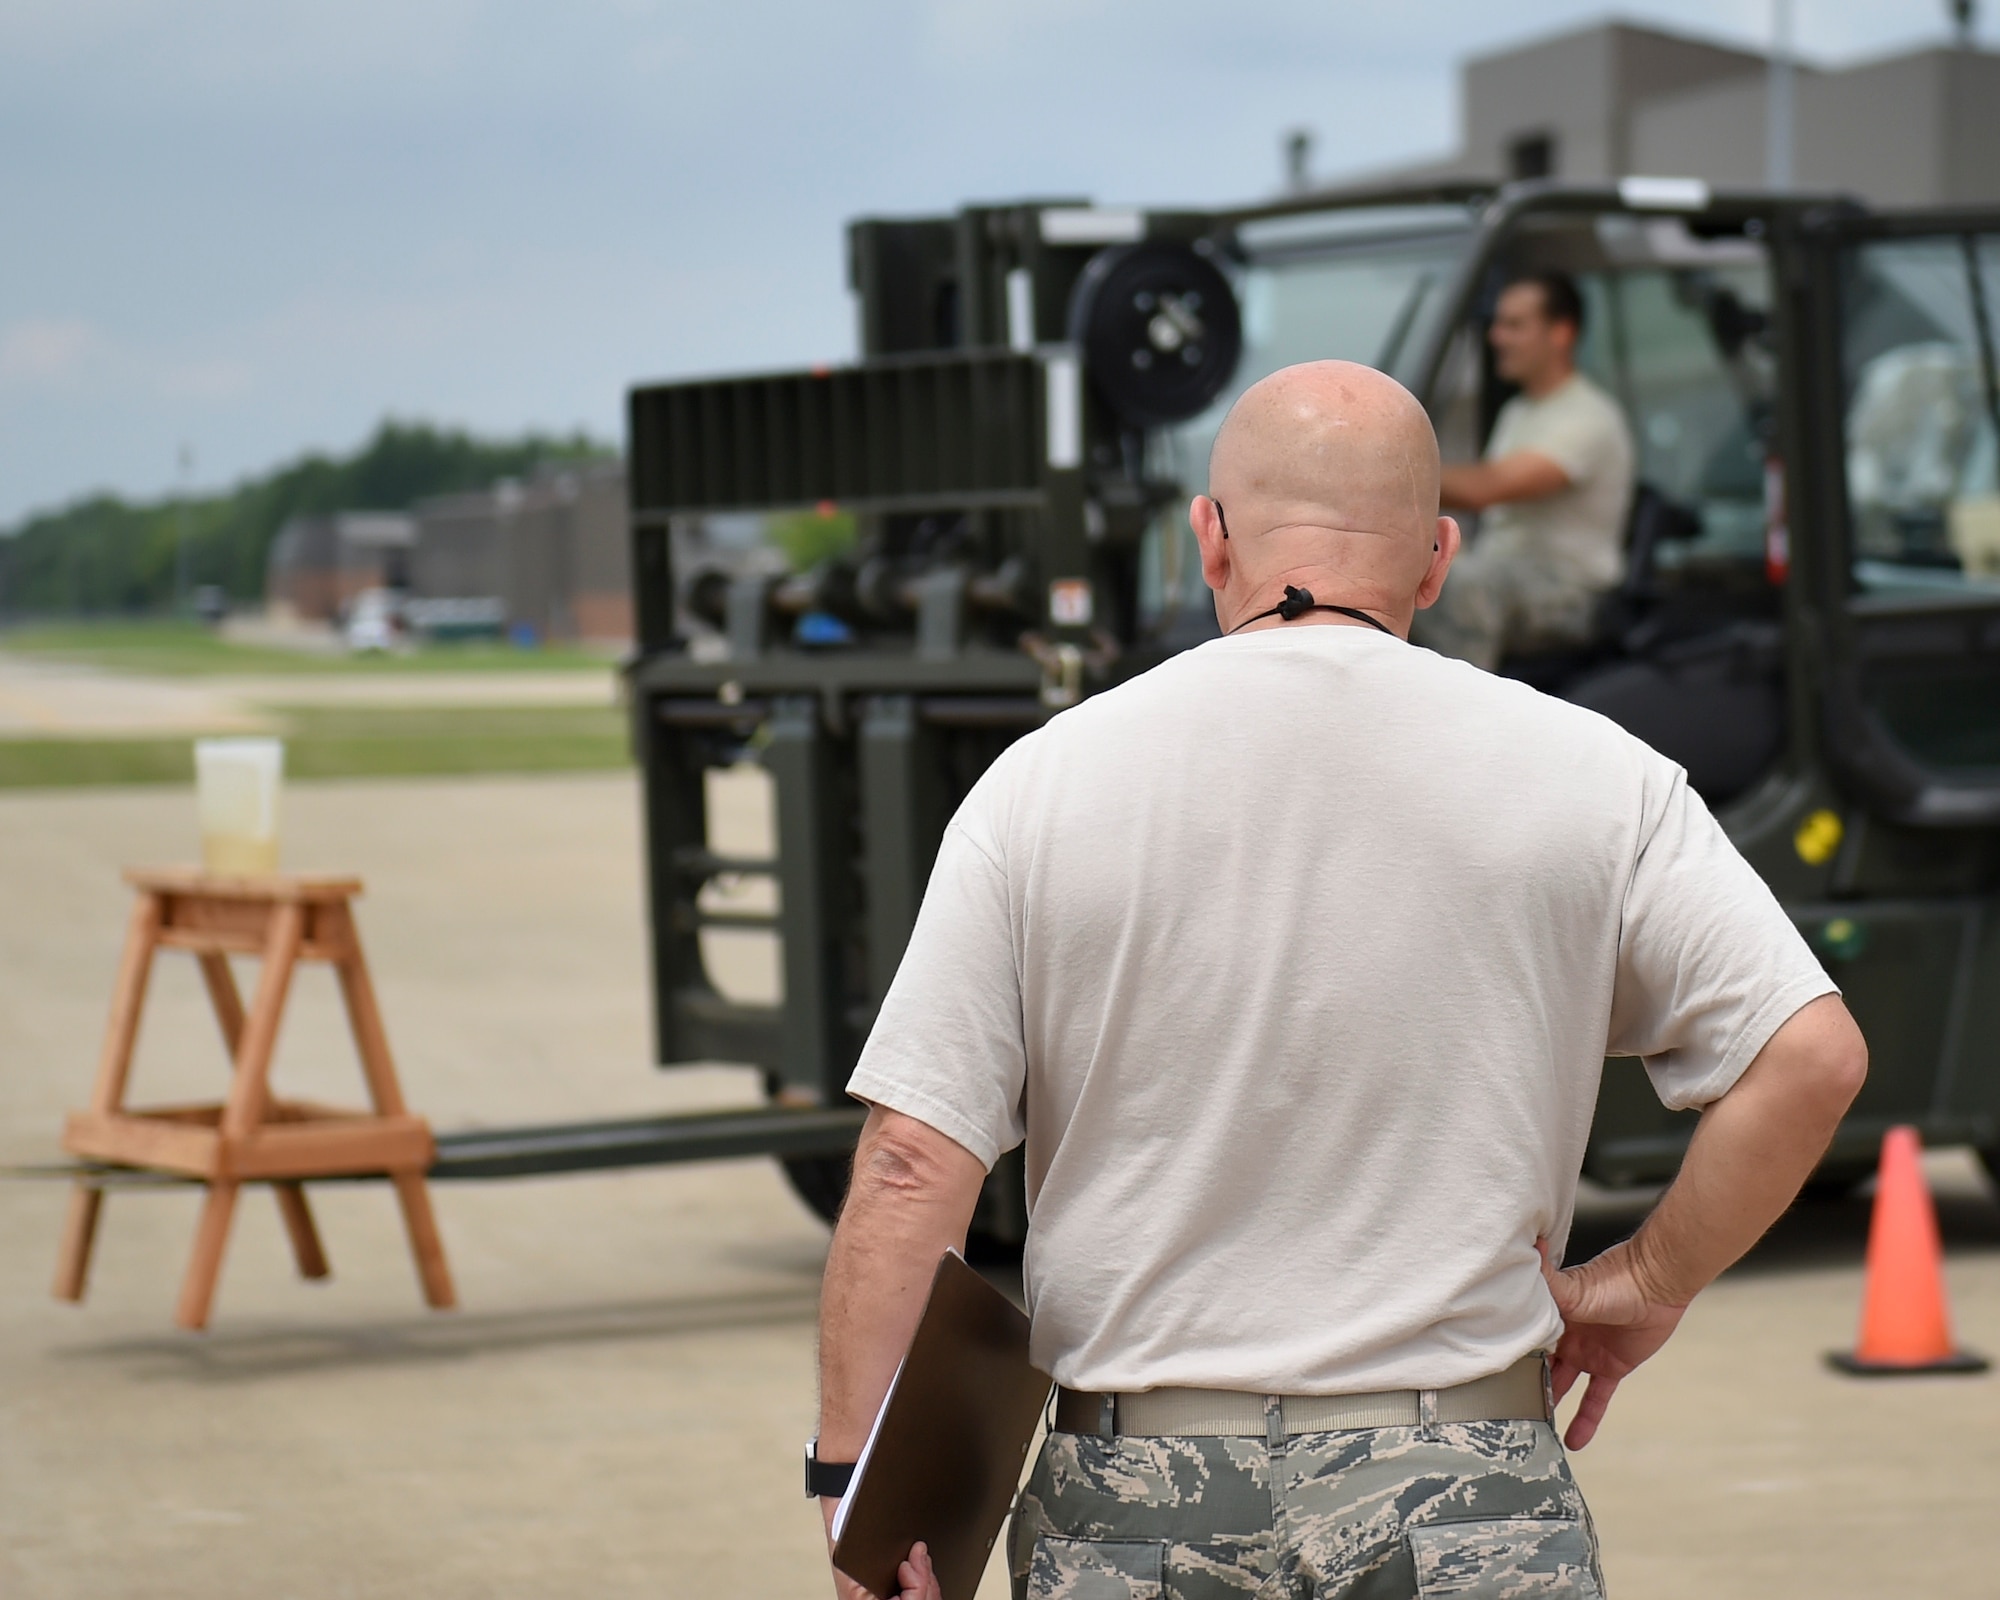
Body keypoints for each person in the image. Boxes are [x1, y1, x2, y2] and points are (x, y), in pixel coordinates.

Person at [813, 360, 1865, 1600]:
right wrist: (1640, 1280)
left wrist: (859, 1515)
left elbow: (904, 1167)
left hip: (1136, 1502)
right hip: (1469, 1490)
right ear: (1436, 558)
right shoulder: (1598, 777)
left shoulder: (1042, 786)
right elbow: (1808, 1056)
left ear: (1207, 539)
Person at [1413, 269, 1636, 671]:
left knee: (1461, 586)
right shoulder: (1519, 411)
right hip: (1507, 573)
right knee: (1411, 564)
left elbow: (1488, 488)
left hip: (1567, 592)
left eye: (1514, 325)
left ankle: (1463, 719)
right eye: (1497, 324)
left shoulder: (1588, 416)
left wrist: (1393, 474)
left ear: (1561, 333)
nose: (1496, 337)